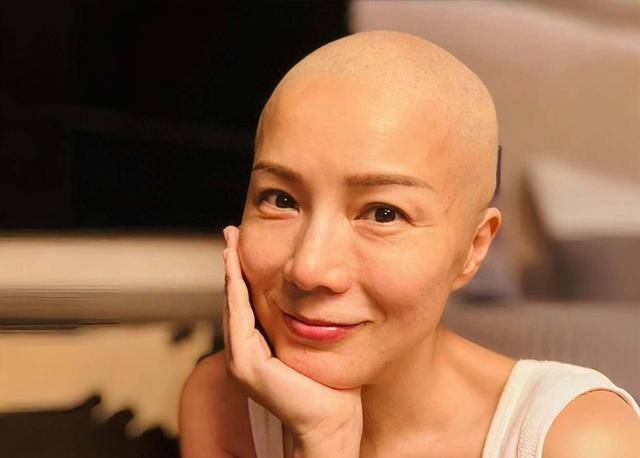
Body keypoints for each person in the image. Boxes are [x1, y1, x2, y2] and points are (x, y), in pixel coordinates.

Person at [179, 30, 640, 457]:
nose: (310, 268)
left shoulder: (579, 440)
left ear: (473, 249)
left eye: (383, 213)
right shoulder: (224, 406)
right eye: (281, 200)